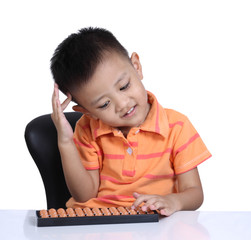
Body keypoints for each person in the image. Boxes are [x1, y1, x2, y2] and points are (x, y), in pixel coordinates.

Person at [50, 27, 211, 216]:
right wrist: (65, 141)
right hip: (99, 223)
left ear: (136, 66)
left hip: (154, 223)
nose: (122, 104)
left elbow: (194, 193)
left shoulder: (177, 126)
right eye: (104, 104)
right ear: (87, 112)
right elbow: (84, 195)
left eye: (124, 86)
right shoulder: (87, 129)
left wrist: (172, 201)